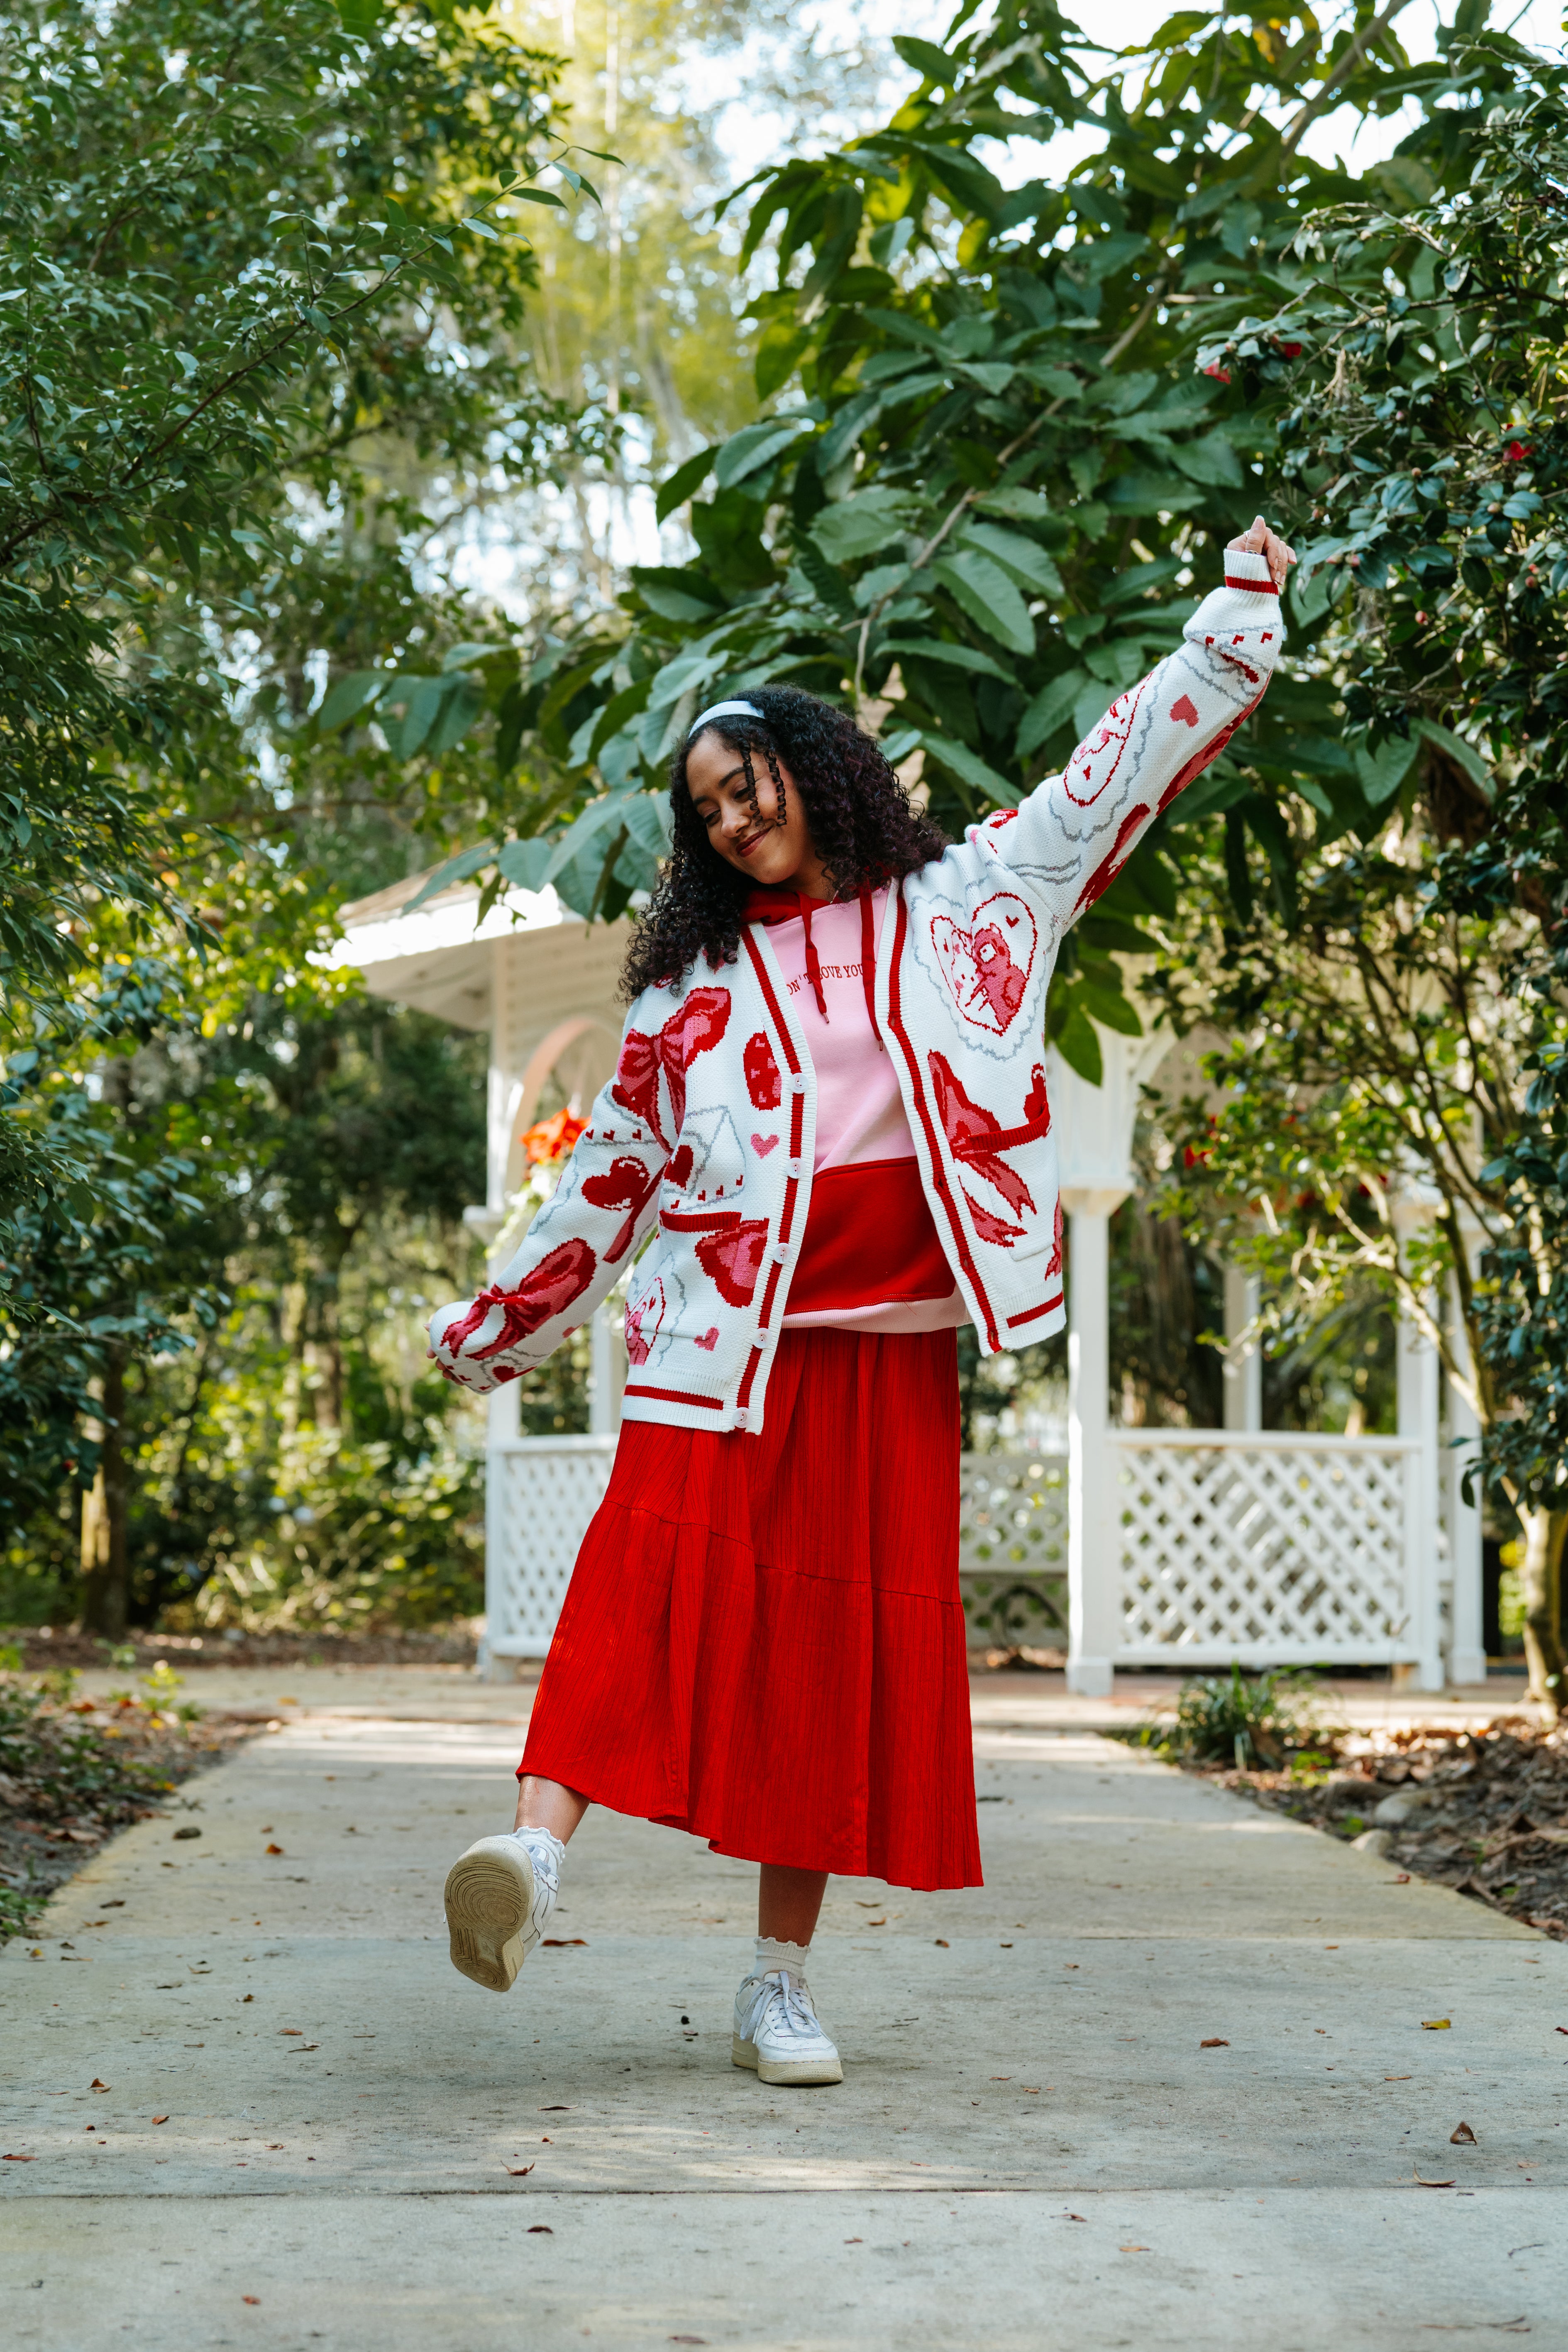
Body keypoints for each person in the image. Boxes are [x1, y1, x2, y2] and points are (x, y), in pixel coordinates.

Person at [431, 516, 1294, 2087]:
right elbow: (607, 1184)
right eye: (704, 806)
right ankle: (532, 1859)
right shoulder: (683, 998)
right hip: (713, 1348)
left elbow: (1115, 772)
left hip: (882, 1359)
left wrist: (1231, 628)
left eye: (746, 777)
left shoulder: (974, 900)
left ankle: (779, 1985)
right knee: (637, 1591)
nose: (732, 812)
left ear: (816, 770)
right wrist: (498, 1324)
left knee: (826, 1668)